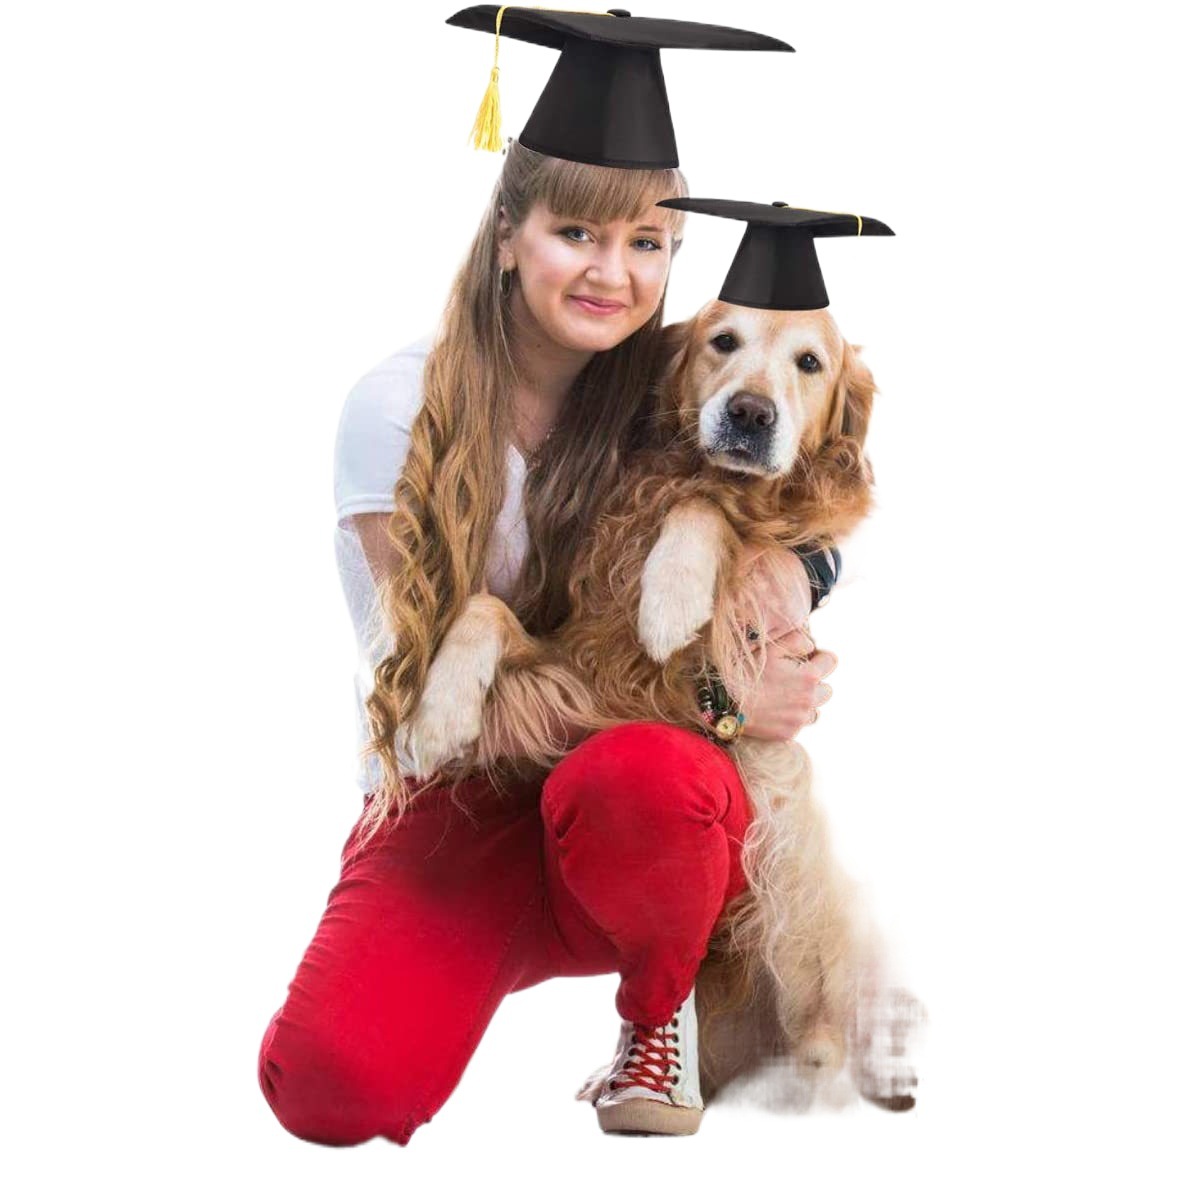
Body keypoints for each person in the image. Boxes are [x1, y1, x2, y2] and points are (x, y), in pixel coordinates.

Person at [257, 7, 839, 1144]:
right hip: (460, 798)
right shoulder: (401, 406)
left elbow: (805, 508)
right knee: (333, 1086)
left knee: (648, 781)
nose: (612, 274)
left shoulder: (678, 394)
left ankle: (655, 1001)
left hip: (639, 820)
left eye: (647, 244)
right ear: (511, 226)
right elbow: (429, 689)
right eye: (578, 232)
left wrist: (789, 577)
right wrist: (716, 694)